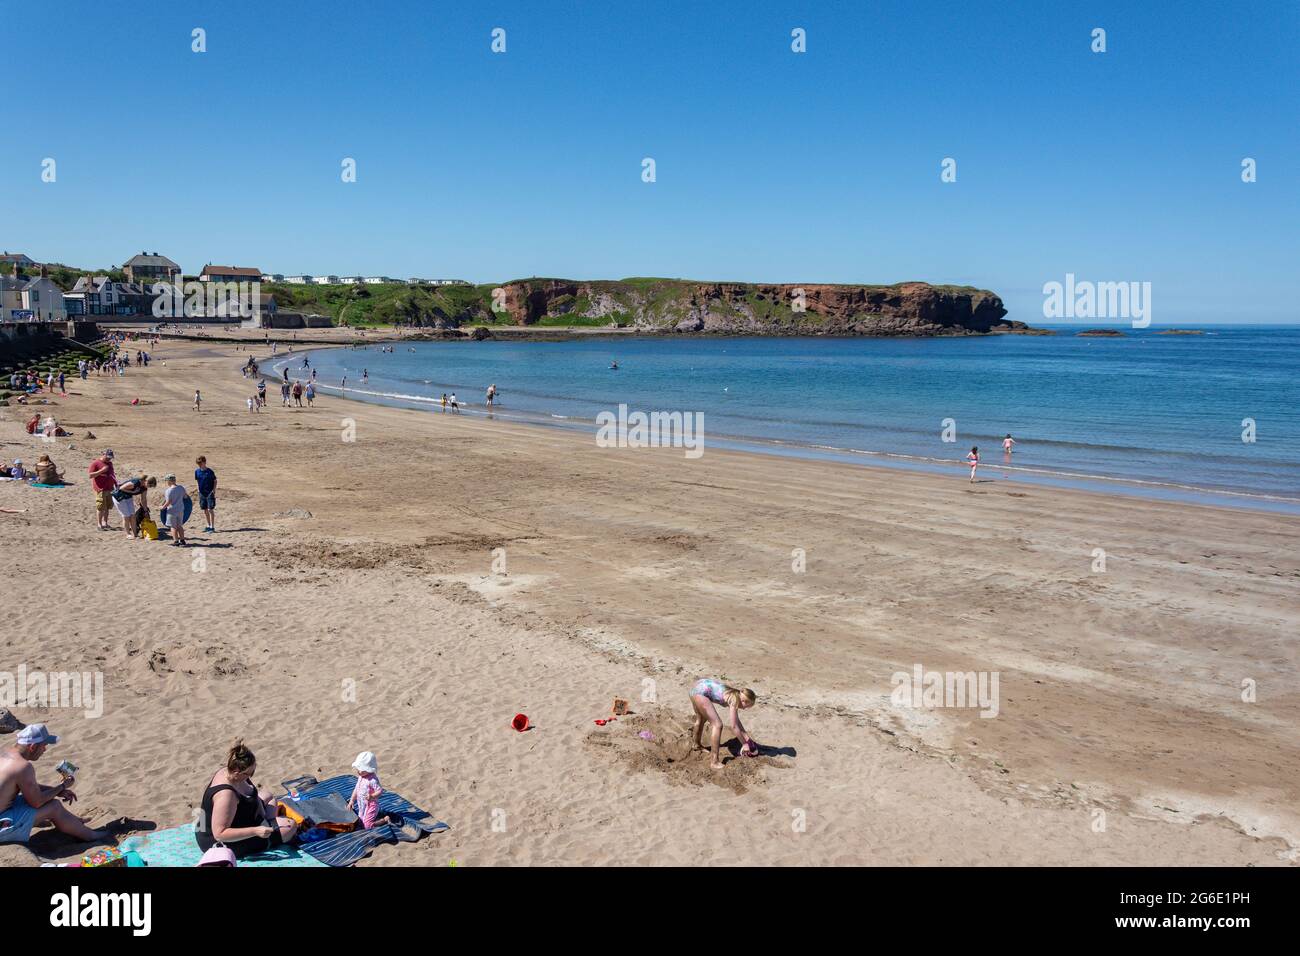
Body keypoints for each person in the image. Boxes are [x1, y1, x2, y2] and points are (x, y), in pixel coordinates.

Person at [0, 724, 116, 845]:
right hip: (3, 824)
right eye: (44, 746)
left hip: (4, 810)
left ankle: (74, 822)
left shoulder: (5, 753)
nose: (45, 750)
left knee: (37, 799)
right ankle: (90, 835)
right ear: (33, 747)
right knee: (54, 806)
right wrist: (62, 786)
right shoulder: (23, 766)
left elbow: (26, 785)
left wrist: (57, 791)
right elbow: (36, 802)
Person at [195, 740, 296, 859]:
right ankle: (267, 836)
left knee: (269, 797)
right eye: (249, 773)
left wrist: (261, 814)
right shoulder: (226, 796)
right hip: (222, 842)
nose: (251, 775)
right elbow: (220, 834)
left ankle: (268, 829)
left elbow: (253, 795)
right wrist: (256, 831)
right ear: (237, 773)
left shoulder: (229, 771)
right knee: (290, 825)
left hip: (239, 818)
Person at [689, 680, 757, 770]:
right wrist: (744, 744)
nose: (745, 709)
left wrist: (746, 737)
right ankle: (714, 762)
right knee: (717, 725)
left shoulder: (735, 693)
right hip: (700, 693)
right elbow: (734, 726)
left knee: (701, 719)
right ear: (744, 701)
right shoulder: (735, 700)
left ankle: (696, 745)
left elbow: (736, 721)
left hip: (695, 688)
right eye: (747, 706)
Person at [346, 751, 383, 830]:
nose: (359, 772)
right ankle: (369, 819)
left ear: (369, 769)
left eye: (363, 770)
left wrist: (372, 796)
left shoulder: (372, 780)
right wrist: (352, 800)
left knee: (367, 826)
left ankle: (384, 820)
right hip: (362, 805)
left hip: (371, 805)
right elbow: (356, 789)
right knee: (360, 822)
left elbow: (380, 791)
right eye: (358, 769)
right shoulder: (361, 777)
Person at [88, 449, 117, 531]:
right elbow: (90, 475)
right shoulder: (96, 463)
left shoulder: (110, 464)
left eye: (110, 458)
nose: (109, 459)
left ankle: (105, 523)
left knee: (107, 507)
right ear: (103, 454)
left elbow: (112, 474)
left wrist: (115, 484)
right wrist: (102, 471)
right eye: (108, 457)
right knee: (100, 507)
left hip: (110, 488)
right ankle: (99, 524)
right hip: (100, 489)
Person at [160, 474, 191, 546]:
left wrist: (162, 507)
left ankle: (176, 541)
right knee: (180, 526)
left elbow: (168, 502)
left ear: (169, 481)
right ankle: (182, 541)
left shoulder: (168, 491)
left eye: (167, 481)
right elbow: (185, 497)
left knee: (173, 527)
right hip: (181, 510)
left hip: (172, 511)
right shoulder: (181, 488)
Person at [195, 456, 217, 533]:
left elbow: (215, 481)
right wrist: (198, 489)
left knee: (210, 509)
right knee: (205, 510)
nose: (200, 465)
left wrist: (213, 490)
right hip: (201, 493)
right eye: (198, 464)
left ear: (204, 462)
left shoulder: (210, 471)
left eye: (201, 463)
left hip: (209, 492)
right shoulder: (197, 471)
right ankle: (208, 525)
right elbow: (197, 480)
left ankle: (212, 527)